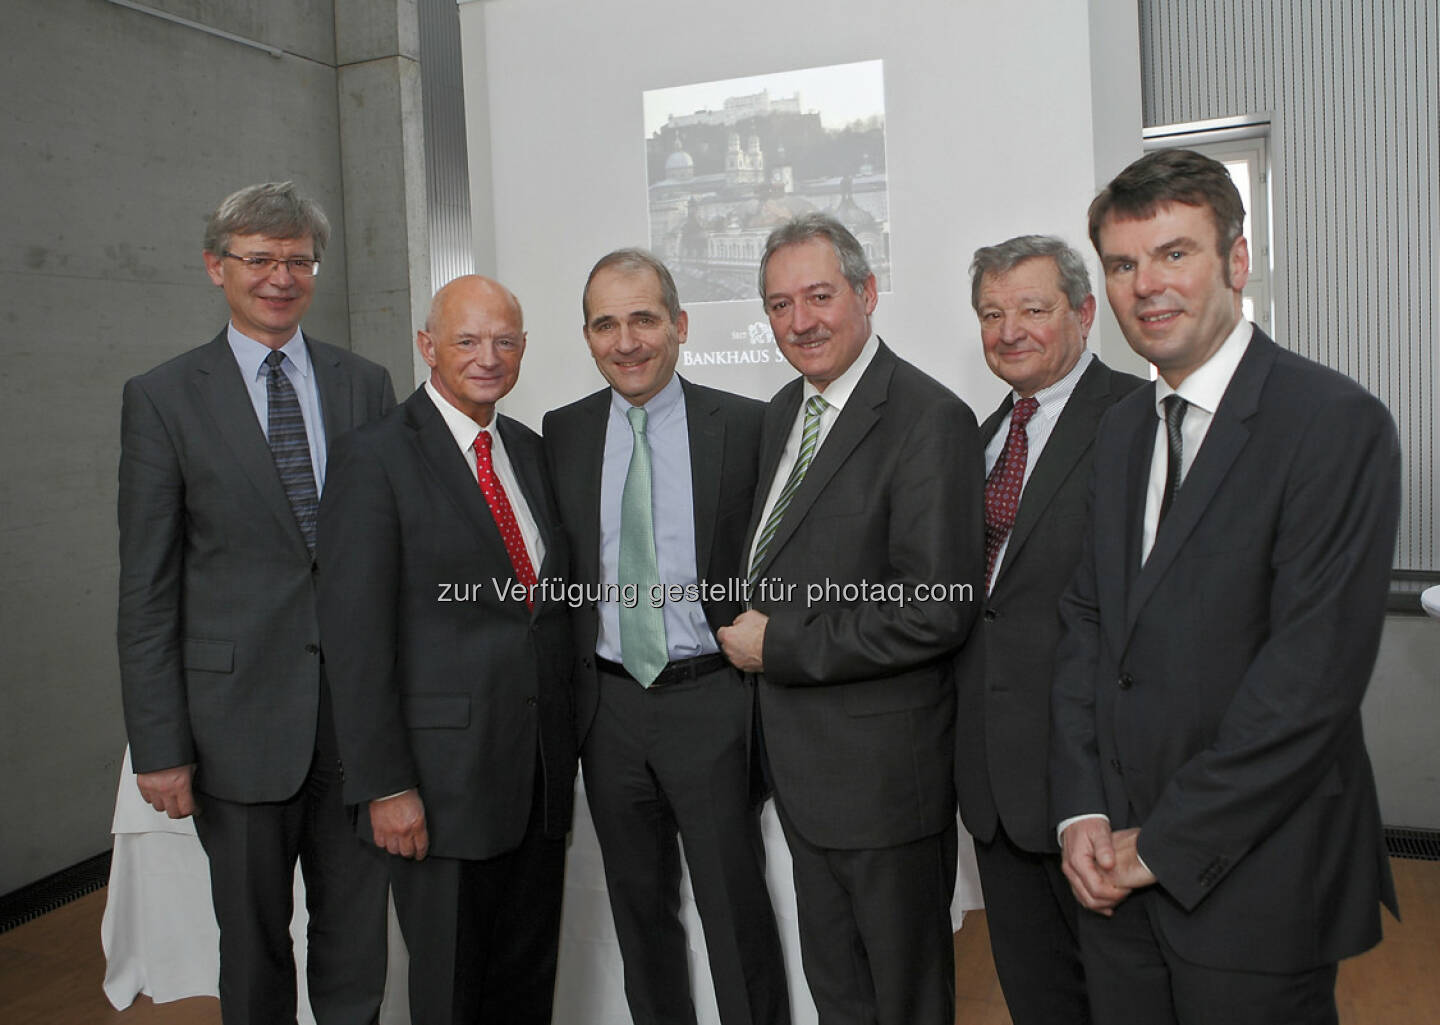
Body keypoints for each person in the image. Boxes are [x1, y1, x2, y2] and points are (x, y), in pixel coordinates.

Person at [1050, 148, 1401, 1025]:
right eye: (1124, 264)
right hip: (1112, 879)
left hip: (1257, 881)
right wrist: (1081, 812)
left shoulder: (1333, 423)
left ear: (1237, 262)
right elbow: (1089, 629)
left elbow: (1308, 683)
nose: (1146, 286)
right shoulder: (1122, 429)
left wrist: (1160, 846)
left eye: (1175, 254)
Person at [117, 181, 393, 1025]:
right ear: (216, 267)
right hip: (233, 730)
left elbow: (386, 556)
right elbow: (147, 586)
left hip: (355, 728)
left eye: (298, 260)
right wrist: (159, 748)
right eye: (259, 258)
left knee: (357, 946)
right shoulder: (163, 397)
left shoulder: (365, 384)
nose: (280, 276)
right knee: (254, 949)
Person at [718, 213, 983, 1025]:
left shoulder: (927, 419)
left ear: (867, 293)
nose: (800, 320)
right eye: (778, 304)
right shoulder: (780, 416)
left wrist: (780, 644)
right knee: (840, 998)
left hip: (883, 787)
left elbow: (935, 608)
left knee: (903, 1002)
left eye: (820, 295)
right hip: (804, 779)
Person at [316, 275, 577, 1025]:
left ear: (523, 349)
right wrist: (385, 784)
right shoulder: (374, 458)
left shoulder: (528, 450)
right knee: (453, 991)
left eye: (504, 341)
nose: (487, 356)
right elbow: (355, 640)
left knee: (525, 982)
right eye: (466, 340)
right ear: (428, 346)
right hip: (436, 789)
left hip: (534, 775)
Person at [542, 248, 790, 1025]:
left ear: (679, 326)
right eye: (606, 323)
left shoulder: (745, 426)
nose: (626, 341)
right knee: (639, 913)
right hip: (610, 711)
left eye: (643, 318)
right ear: (586, 336)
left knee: (734, 910)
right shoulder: (563, 433)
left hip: (712, 700)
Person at [954, 234, 1144, 1025]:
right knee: (1041, 1002)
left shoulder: (1136, 420)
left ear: (1084, 313)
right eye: (992, 313)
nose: (1009, 331)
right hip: (997, 791)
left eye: (1032, 309)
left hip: (1097, 793)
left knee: (1125, 1003)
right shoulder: (981, 434)